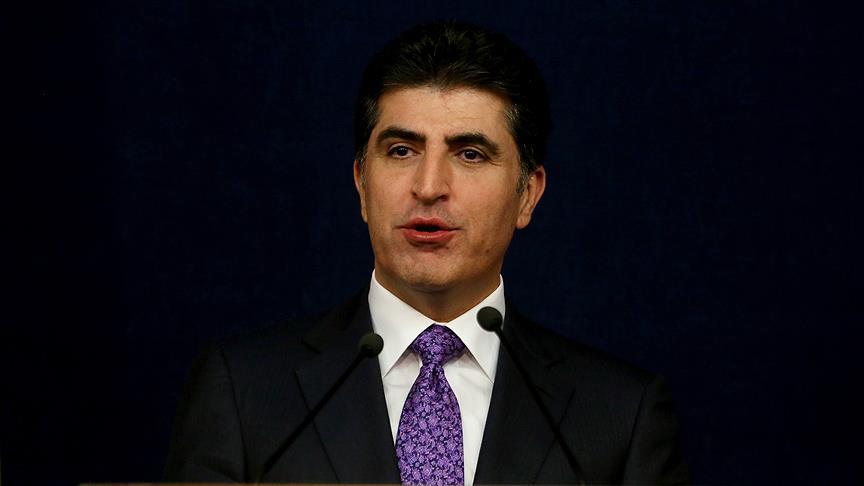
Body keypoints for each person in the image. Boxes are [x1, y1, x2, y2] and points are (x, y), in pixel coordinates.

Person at [164, 21, 690, 485]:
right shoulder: (244, 392)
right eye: (401, 151)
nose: (429, 186)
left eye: (470, 154)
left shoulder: (620, 415)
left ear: (528, 194)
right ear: (361, 183)